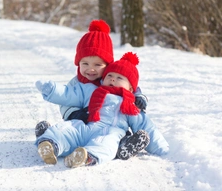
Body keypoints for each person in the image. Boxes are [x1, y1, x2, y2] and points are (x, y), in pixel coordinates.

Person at [34, 19, 149, 160]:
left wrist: (139, 96)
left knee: (111, 137)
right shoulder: (76, 82)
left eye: (98, 64)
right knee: (67, 130)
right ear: (78, 63)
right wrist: (74, 114)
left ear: (108, 64)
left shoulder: (110, 79)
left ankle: (123, 146)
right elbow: (65, 99)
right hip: (82, 122)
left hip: (107, 126)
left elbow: (129, 85)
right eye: (85, 63)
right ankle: (48, 140)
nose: (91, 69)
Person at [35, 52, 169, 168]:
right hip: (87, 125)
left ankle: (85, 157)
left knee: (107, 143)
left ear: (130, 88)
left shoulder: (130, 103)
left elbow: (146, 125)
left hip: (109, 130)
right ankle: (50, 144)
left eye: (119, 78)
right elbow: (70, 94)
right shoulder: (91, 89)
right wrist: (51, 89)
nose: (112, 79)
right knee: (66, 128)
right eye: (110, 75)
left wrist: (161, 148)